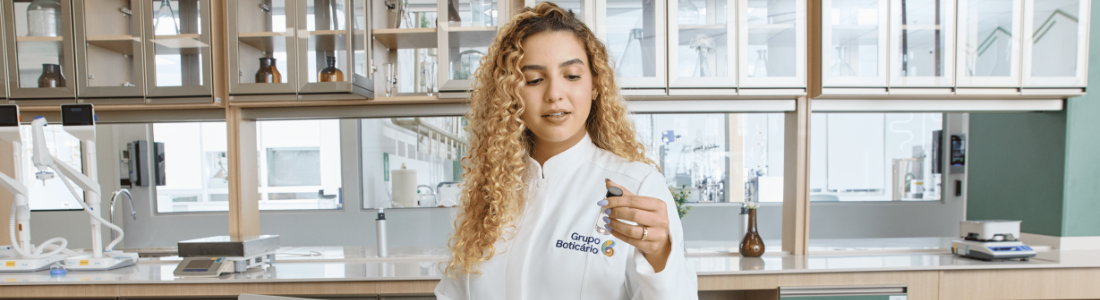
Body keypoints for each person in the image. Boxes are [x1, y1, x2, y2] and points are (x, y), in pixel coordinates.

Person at [435, 2, 698, 299]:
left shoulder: (637, 186)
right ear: (511, 94)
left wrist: (660, 254)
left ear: (595, 85)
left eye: (571, 75)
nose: (554, 94)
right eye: (533, 80)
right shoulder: (488, 193)